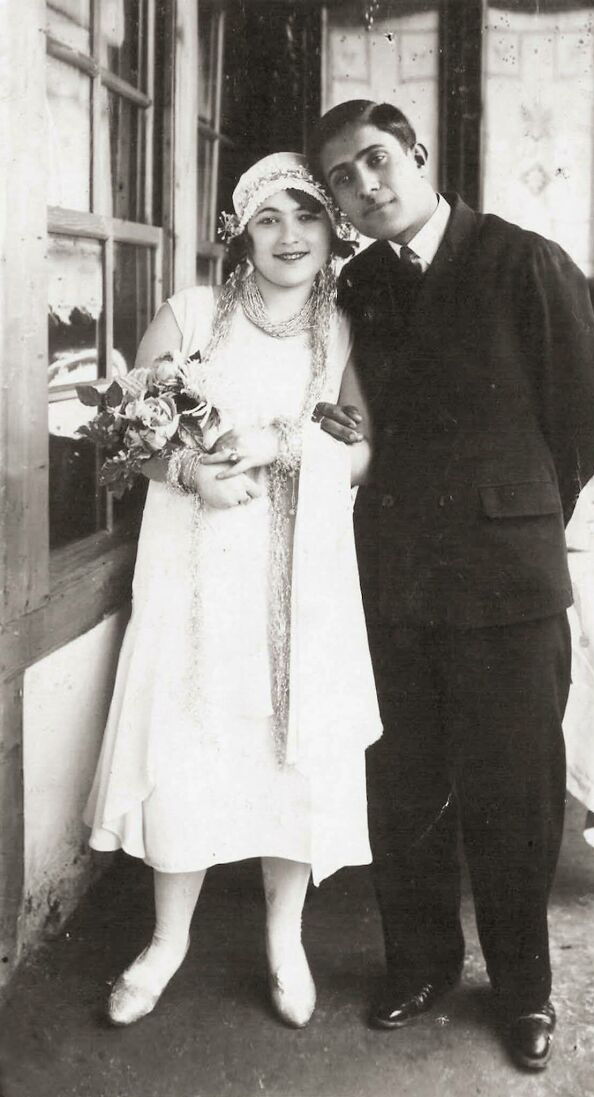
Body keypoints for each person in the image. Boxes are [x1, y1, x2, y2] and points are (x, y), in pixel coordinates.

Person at [310, 100, 594, 1070]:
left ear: (418, 153)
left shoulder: (521, 259)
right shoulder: (353, 285)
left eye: (375, 161)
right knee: (402, 782)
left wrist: (516, 504)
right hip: (393, 574)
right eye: (343, 180)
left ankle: (523, 989)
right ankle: (420, 963)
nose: (365, 187)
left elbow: (589, 410)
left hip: (506, 582)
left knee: (514, 792)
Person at [84, 152, 382, 1029]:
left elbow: (361, 449)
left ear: (334, 232)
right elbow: (121, 434)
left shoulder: (344, 329)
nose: (289, 237)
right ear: (240, 232)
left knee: (286, 755)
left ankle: (284, 939)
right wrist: (185, 470)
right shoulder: (190, 315)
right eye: (268, 218)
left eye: (308, 218)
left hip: (300, 579)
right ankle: (167, 940)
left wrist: (284, 443)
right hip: (196, 570)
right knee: (188, 747)